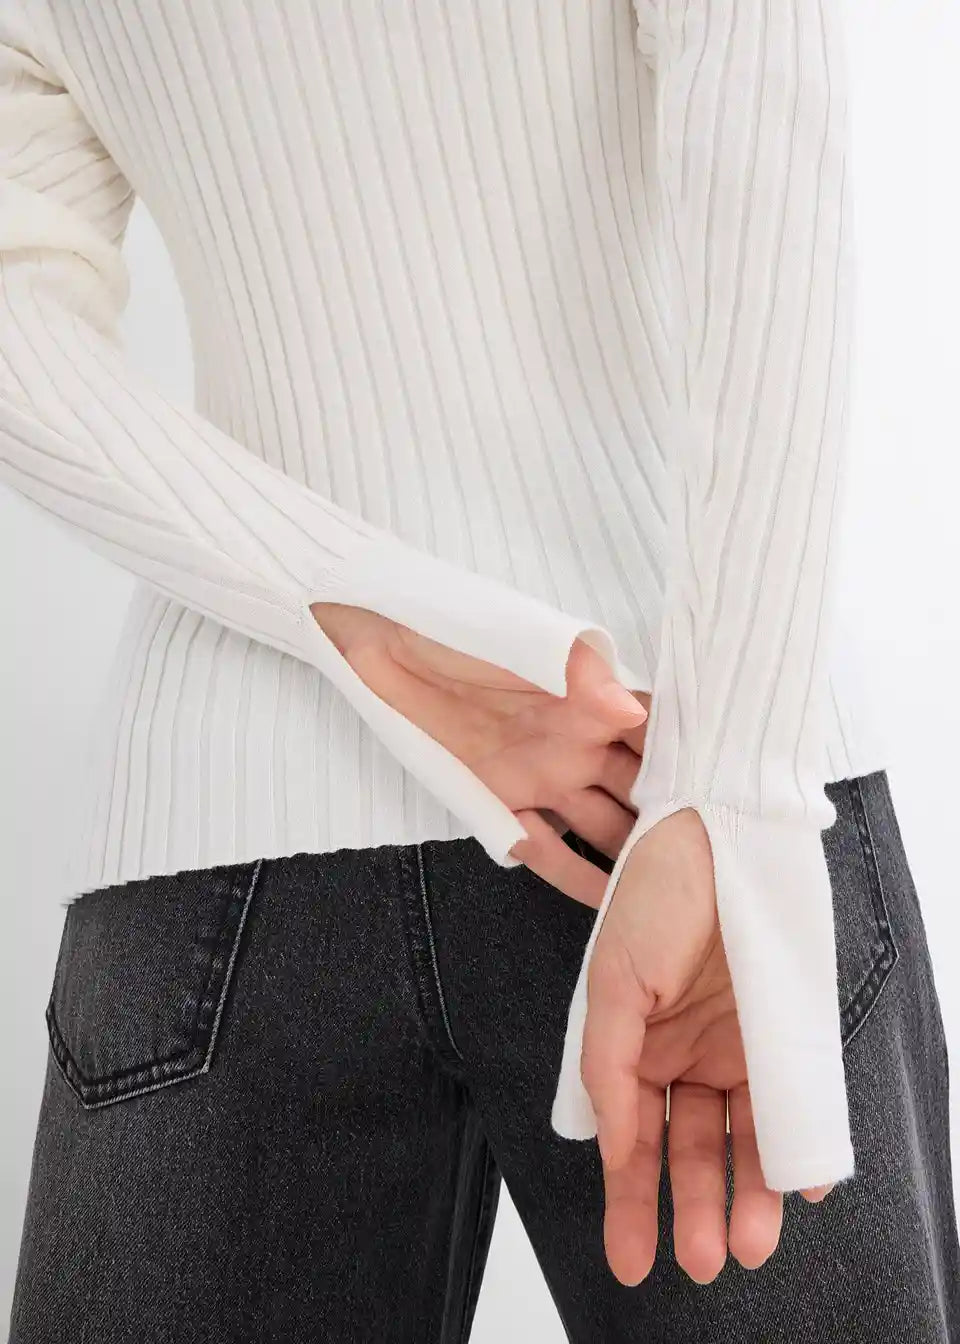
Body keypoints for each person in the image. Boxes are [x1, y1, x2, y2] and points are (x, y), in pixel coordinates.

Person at [2, 0, 957, 1339]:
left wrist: (362, 611)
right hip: (678, 776)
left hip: (241, 828)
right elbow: (765, 145)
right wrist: (733, 774)